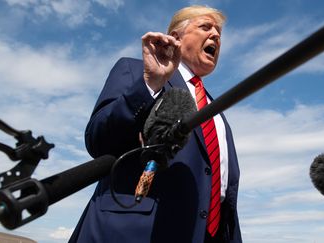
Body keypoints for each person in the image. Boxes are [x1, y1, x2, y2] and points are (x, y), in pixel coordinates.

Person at [69, 5, 242, 243]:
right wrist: (151, 84)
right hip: (131, 233)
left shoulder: (217, 113)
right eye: (205, 27)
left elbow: (225, 196)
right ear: (176, 37)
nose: (216, 36)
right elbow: (98, 139)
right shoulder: (137, 71)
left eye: (219, 33)